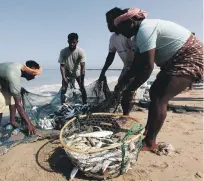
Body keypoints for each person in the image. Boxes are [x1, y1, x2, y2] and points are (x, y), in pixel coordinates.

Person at [108, 8, 203, 151]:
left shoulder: (145, 30)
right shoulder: (139, 36)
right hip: (174, 61)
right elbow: (137, 64)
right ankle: (149, 131)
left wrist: (131, 88)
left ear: (131, 22)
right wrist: (123, 82)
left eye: (121, 28)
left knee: (159, 97)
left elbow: (147, 67)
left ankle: (150, 142)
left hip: (188, 57)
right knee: (154, 93)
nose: (121, 33)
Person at [99, 7, 147, 115]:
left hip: (137, 66)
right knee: (118, 90)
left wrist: (127, 77)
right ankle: (124, 111)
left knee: (128, 91)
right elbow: (110, 56)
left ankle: (126, 116)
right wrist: (103, 72)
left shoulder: (129, 34)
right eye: (107, 22)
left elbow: (139, 57)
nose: (108, 25)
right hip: (127, 67)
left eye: (110, 21)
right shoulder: (113, 38)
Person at [0, 61, 42, 134]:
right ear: (27, 71)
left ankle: (12, 121)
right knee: (0, 102)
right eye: (33, 74)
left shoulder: (20, 69)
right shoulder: (14, 73)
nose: (33, 77)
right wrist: (29, 124)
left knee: (12, 98)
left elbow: (13, 86)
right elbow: (19, 105)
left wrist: (17, 91)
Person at [58, 33, 87, 104]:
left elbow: (83, 67)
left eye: (74, 42)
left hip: (77, 73)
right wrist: (64, 78)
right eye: (70, 42)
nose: (72, 44)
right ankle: (63, 105)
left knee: (82, 88)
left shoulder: (81, 52)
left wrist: (82, 81)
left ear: (77, 42)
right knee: (63, 89)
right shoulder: (63, 51)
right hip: (67, 73)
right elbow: (62, 66)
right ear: (68, 41)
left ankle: (85, 103)